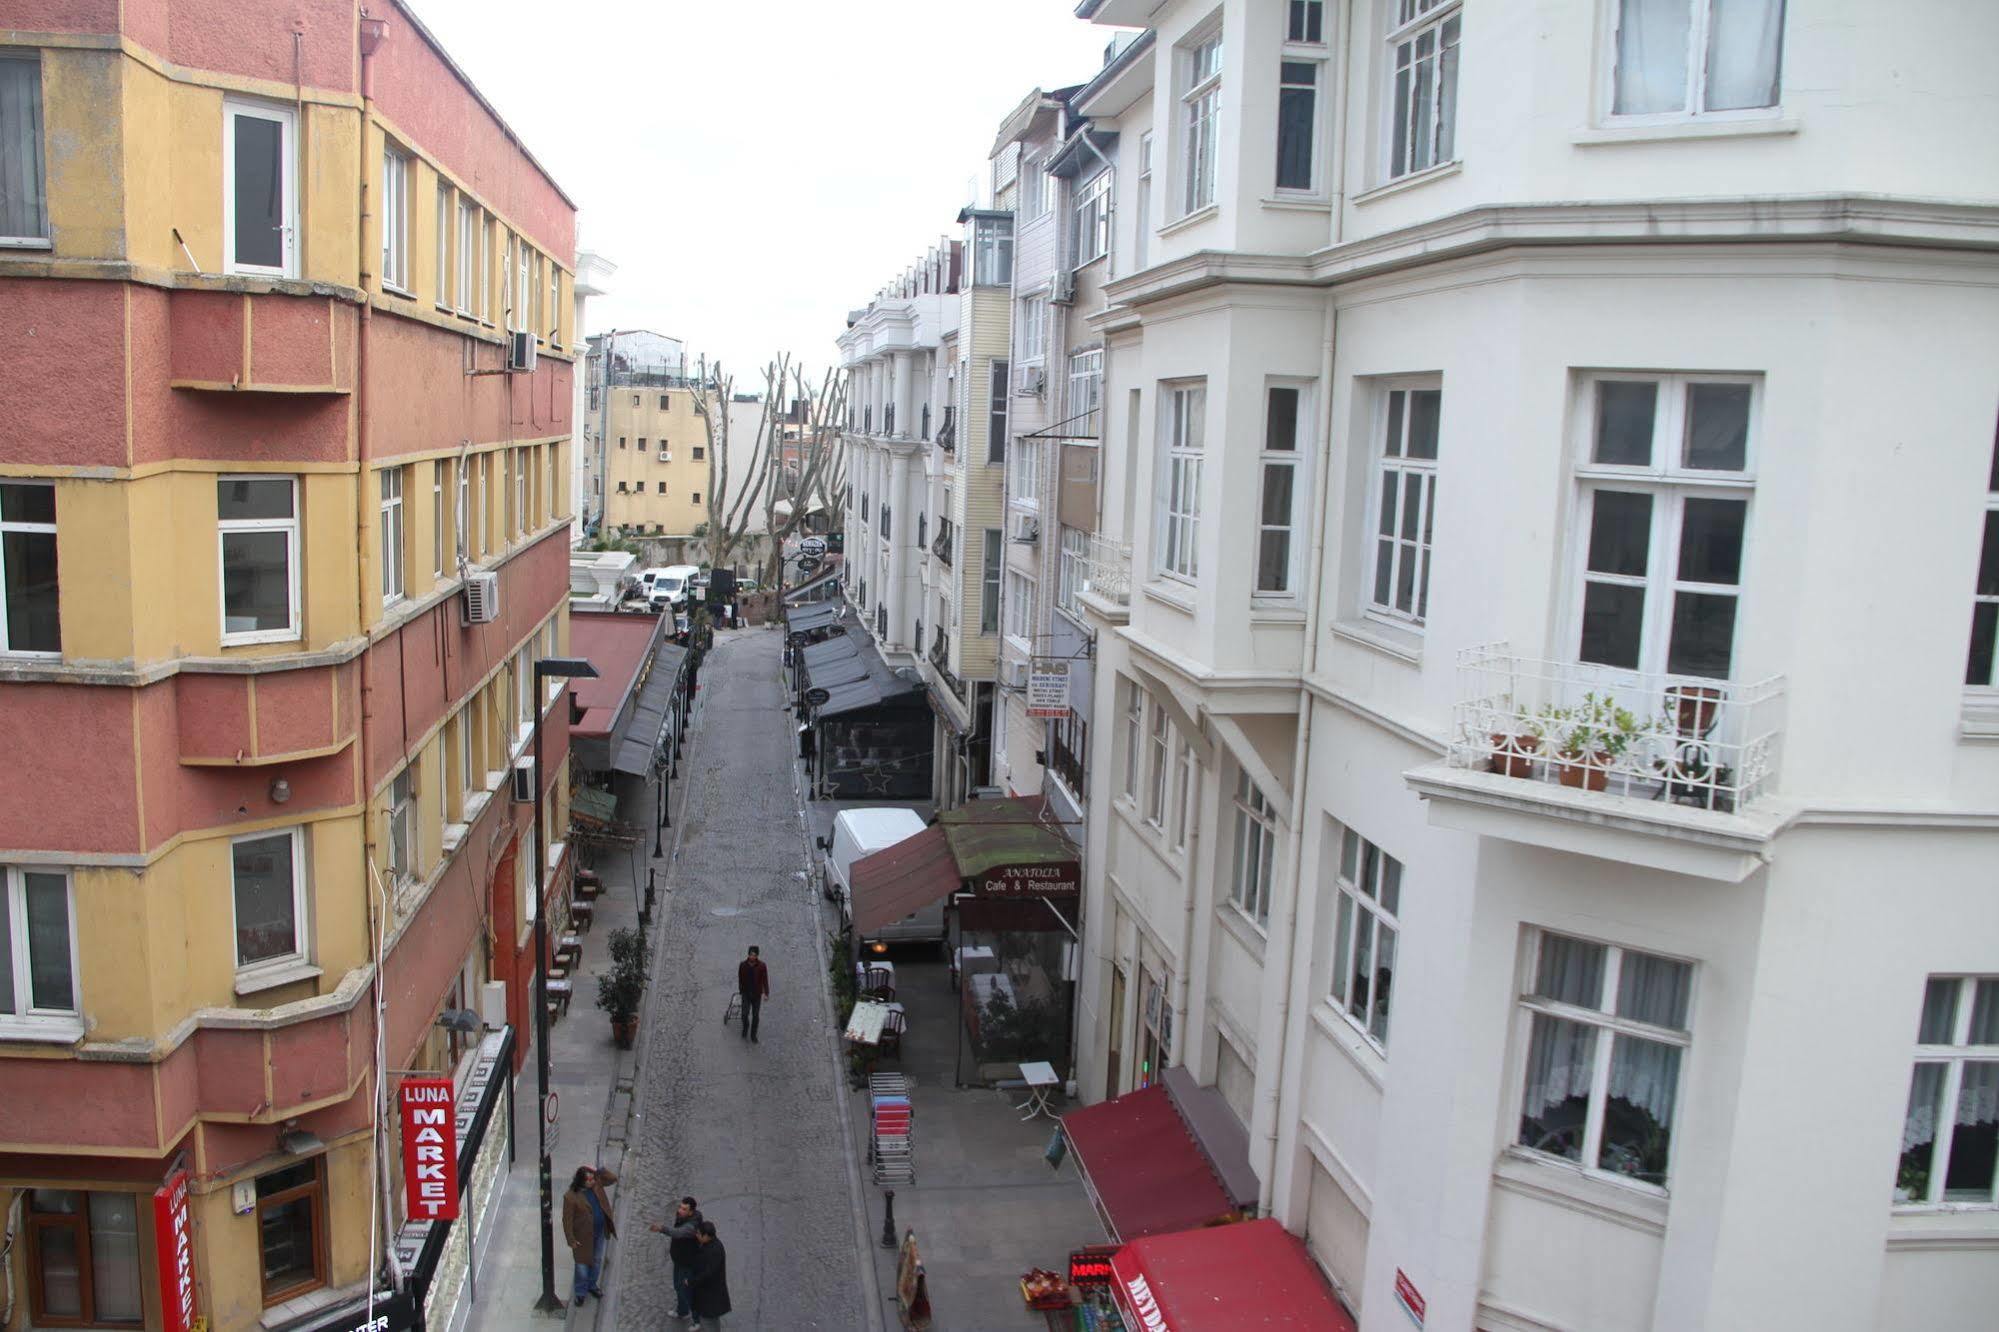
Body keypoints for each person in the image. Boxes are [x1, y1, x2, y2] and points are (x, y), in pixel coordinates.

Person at [560, 1164, 618, 1305]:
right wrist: (571, 1240)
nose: (593, 1181)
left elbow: (613, 1179)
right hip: (582, 1238)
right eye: (589, 1180)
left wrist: (600, 1170)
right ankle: (580, 1292)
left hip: (599, 1232)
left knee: (597, 1260)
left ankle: (592, 1285)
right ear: (581, 1181)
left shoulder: (597, 1184)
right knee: (582, 1266)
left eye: (593, 1178)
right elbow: (566, 1220)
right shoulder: (571, 1197)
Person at [648, 1194, 704, 1322]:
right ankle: (683, 1309)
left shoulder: (691, 1227)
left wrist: (662, 1228)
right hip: (679, 1260)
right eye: (680, 1207)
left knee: (683, 1288)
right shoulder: (683, 1217)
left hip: (687, 1262)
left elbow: (677, 1233)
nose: (680, 1210)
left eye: (684, 1209)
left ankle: (690, 1312)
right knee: (679, 1286)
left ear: (691, 1212)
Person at [688, 1220, 732, 1329]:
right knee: (711, 1321)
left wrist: (691, 1281)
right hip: (708, 1295)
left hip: (710, 1297)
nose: (696, 1235)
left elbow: (707, 1274)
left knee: (708, 1322)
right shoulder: (710, 1244)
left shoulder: (713, 1250)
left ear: (706, 1236)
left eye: (698, 1233)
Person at [737, 945, 771, 1042]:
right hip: (746, 994)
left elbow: (765, 980)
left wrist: (766, 993)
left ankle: (753, 1035)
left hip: (756, 995)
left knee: (756, 1016)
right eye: (751, 955)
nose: (752, 957)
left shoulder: (762, 966)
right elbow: (740, 978)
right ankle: (745, 1027)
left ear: (757, 956)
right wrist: (741, 990)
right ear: (748, 955)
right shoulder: (742, 965)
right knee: (744, 1014)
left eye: (754, 955)